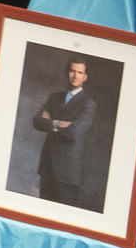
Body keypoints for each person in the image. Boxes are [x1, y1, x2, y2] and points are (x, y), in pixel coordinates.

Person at [30, 57, 109, 211]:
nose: (75, 75)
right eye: (72, 71)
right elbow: (37, 121)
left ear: (85, 77)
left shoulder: (88, 104)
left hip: (68, 172)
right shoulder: (54, 98)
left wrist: (50, 121)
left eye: (80, 72)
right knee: (43, 213)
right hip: (47, 166)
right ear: (67, 73)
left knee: (63, 214)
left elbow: (74, 132)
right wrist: (58, 123)